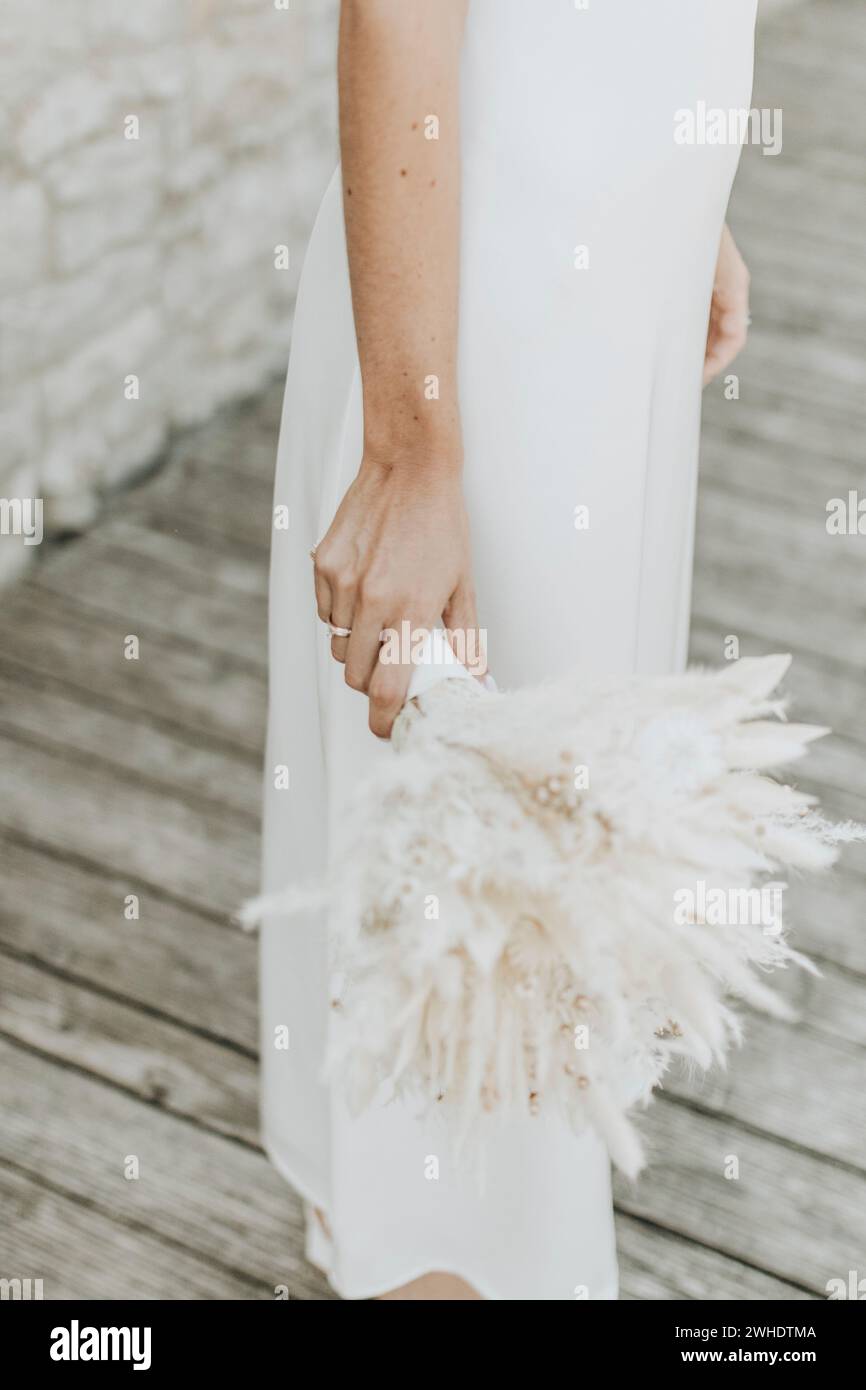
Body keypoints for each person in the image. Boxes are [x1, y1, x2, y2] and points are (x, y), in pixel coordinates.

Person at [260, 0, 755, 1300]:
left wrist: (682, 183)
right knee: (490, 843)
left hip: (603, 272)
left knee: (548, 824)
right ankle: (449, 1261)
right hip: (499, 312)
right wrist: (412, 452)